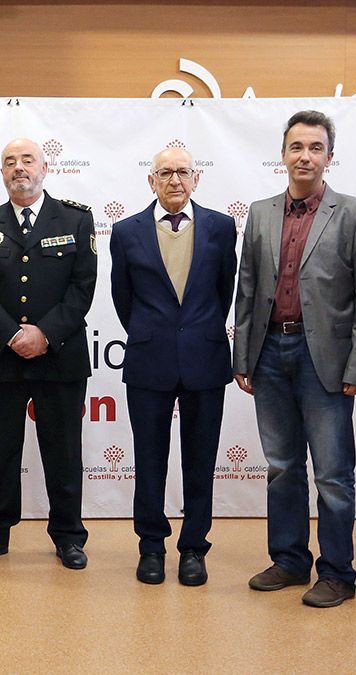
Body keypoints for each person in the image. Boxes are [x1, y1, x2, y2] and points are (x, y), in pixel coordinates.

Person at [234, 110, 356, 608]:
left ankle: (337, 572)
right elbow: (246, 290)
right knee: (282, 466)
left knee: (332, 473)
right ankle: (290, 560)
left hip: (325, 361)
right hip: (269, 353)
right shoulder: (261, 212)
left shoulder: (355, 213)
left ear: (329, 157)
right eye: (296, 147)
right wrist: (243, 354)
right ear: (283, 154)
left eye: (315, 148)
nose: (305, 156)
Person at [0, 137, 97, 570]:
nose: (18, 168)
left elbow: (83, 286)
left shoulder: (76, 218)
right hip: (3, 357)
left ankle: (69, 536)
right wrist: (12, 335)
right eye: (9, 162)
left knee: (63, 450)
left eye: (27, 160)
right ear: (2, 173)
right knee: (0, 448)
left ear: (45, 167)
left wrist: (44, 334)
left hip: (59, 356)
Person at [110, 147, 236, 586]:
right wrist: (153, 332)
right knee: (149, 460)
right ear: (152, 181)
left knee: (200, 461)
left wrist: (196, 332)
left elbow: (225, 289)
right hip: (149, 358)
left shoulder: (221, 227)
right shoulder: (126, 232)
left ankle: (194, 548)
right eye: (165, 172)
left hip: (205, 357)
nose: (175, 180)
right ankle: (151, 546)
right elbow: (122, 298)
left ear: (196, 178)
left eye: (183, 171)